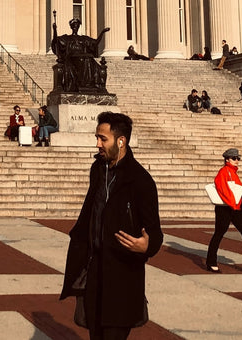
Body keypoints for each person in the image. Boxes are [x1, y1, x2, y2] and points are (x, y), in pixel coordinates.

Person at [60, 112, 163, 340]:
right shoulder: (98, 170)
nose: (97, 144)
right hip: (94, 274)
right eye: (97, 137)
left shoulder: (140, 181)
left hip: (122, 278)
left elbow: (155, 232)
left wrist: (147, 246)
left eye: (102, 139)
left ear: (121, 141)